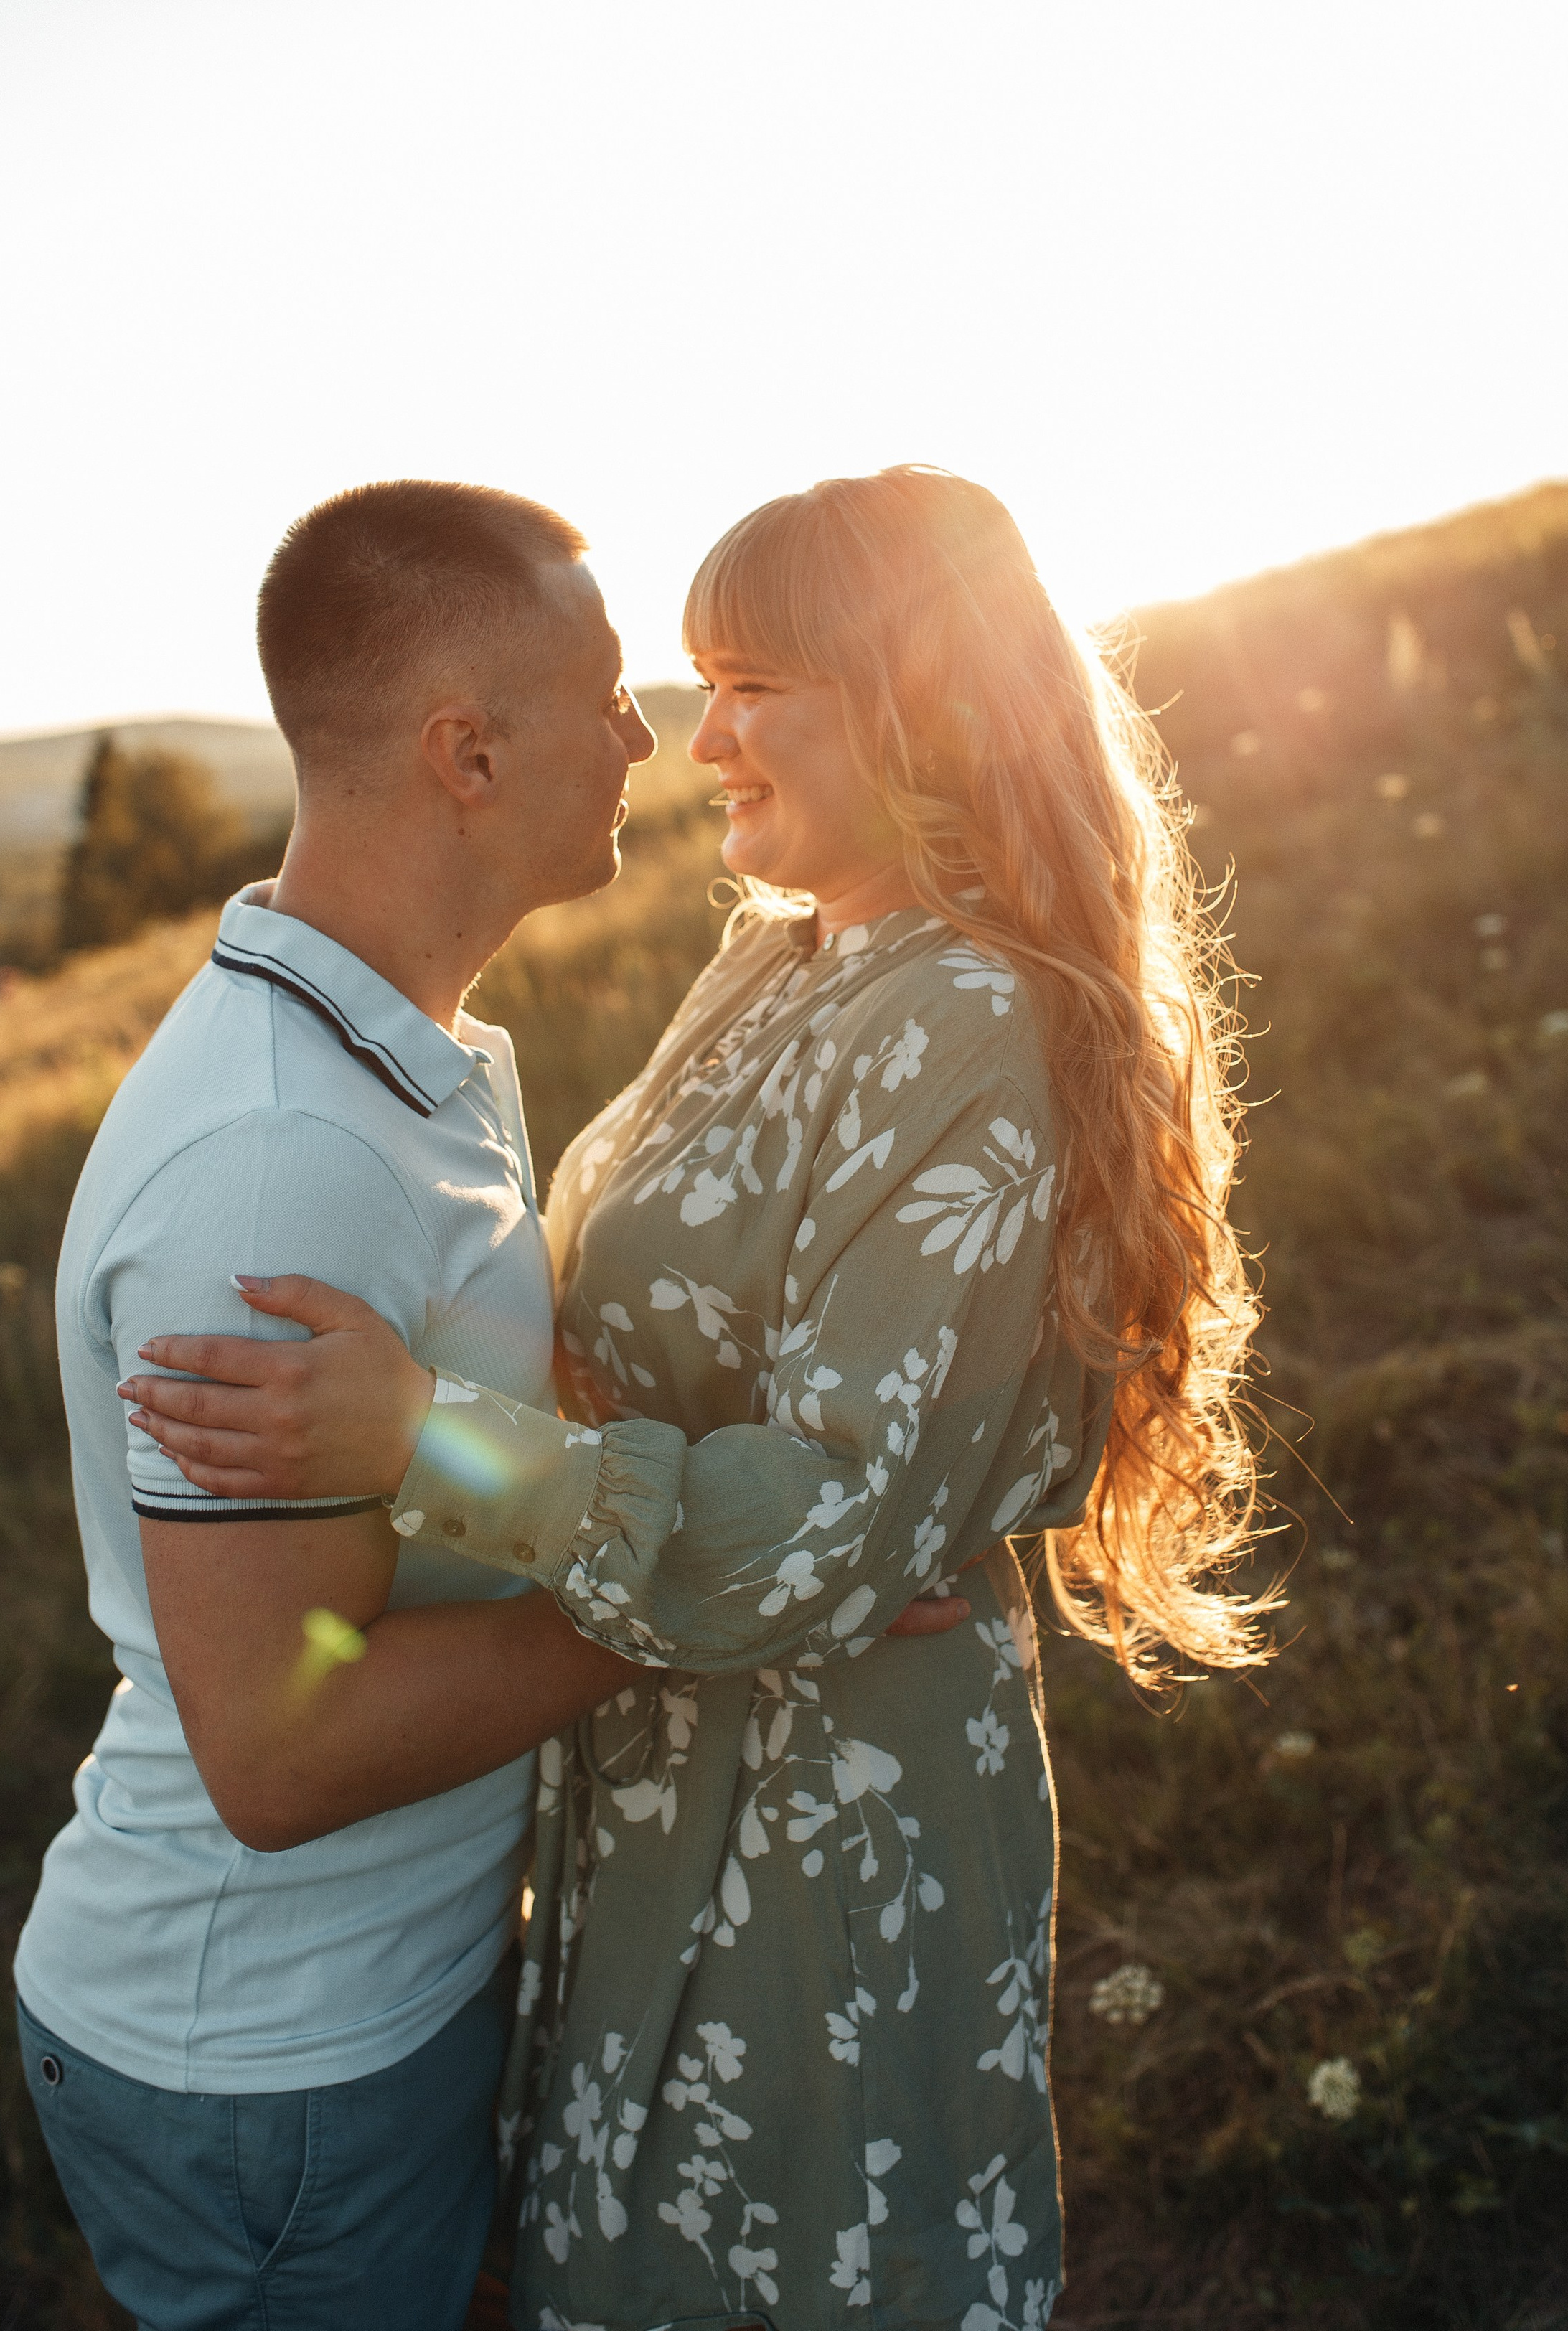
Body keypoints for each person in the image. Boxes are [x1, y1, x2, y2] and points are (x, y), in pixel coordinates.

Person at [126, 466, 1265, 2331]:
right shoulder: (783, 958)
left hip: (822, 1810)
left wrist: (429, 1443)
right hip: (664, 1770)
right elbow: (663, 1360)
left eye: (758, 687)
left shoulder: (974, 1020)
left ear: (926, 707)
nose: (698, 736)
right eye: (698, 676)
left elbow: (827, 1524)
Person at [19, 475, 974, 2331]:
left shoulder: (398, 1054)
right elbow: (279, 1757)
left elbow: (425, 1453)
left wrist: (572, 1458)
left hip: (372, 2004)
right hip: (272, 2050)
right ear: (466, 752)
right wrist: (707, 1606)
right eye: (612, 698)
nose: (655, 741)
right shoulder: (282, 1159)